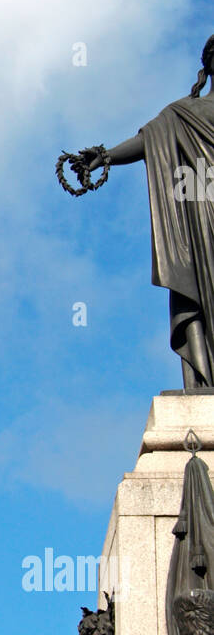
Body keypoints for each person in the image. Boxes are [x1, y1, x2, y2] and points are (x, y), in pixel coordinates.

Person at [75, 36, 214, 388]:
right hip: (202, 217)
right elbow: (149, 141)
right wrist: (105, 156)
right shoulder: (182, 115)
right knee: (204, 287)